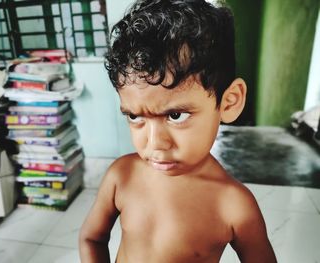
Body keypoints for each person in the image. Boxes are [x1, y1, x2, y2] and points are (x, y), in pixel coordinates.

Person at [79, 0, 277, 262]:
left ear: (229, 102)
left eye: (175, 115)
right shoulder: (121, 176)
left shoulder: (234, 206)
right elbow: (91, 239)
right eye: (135, 116)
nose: (154, 144)